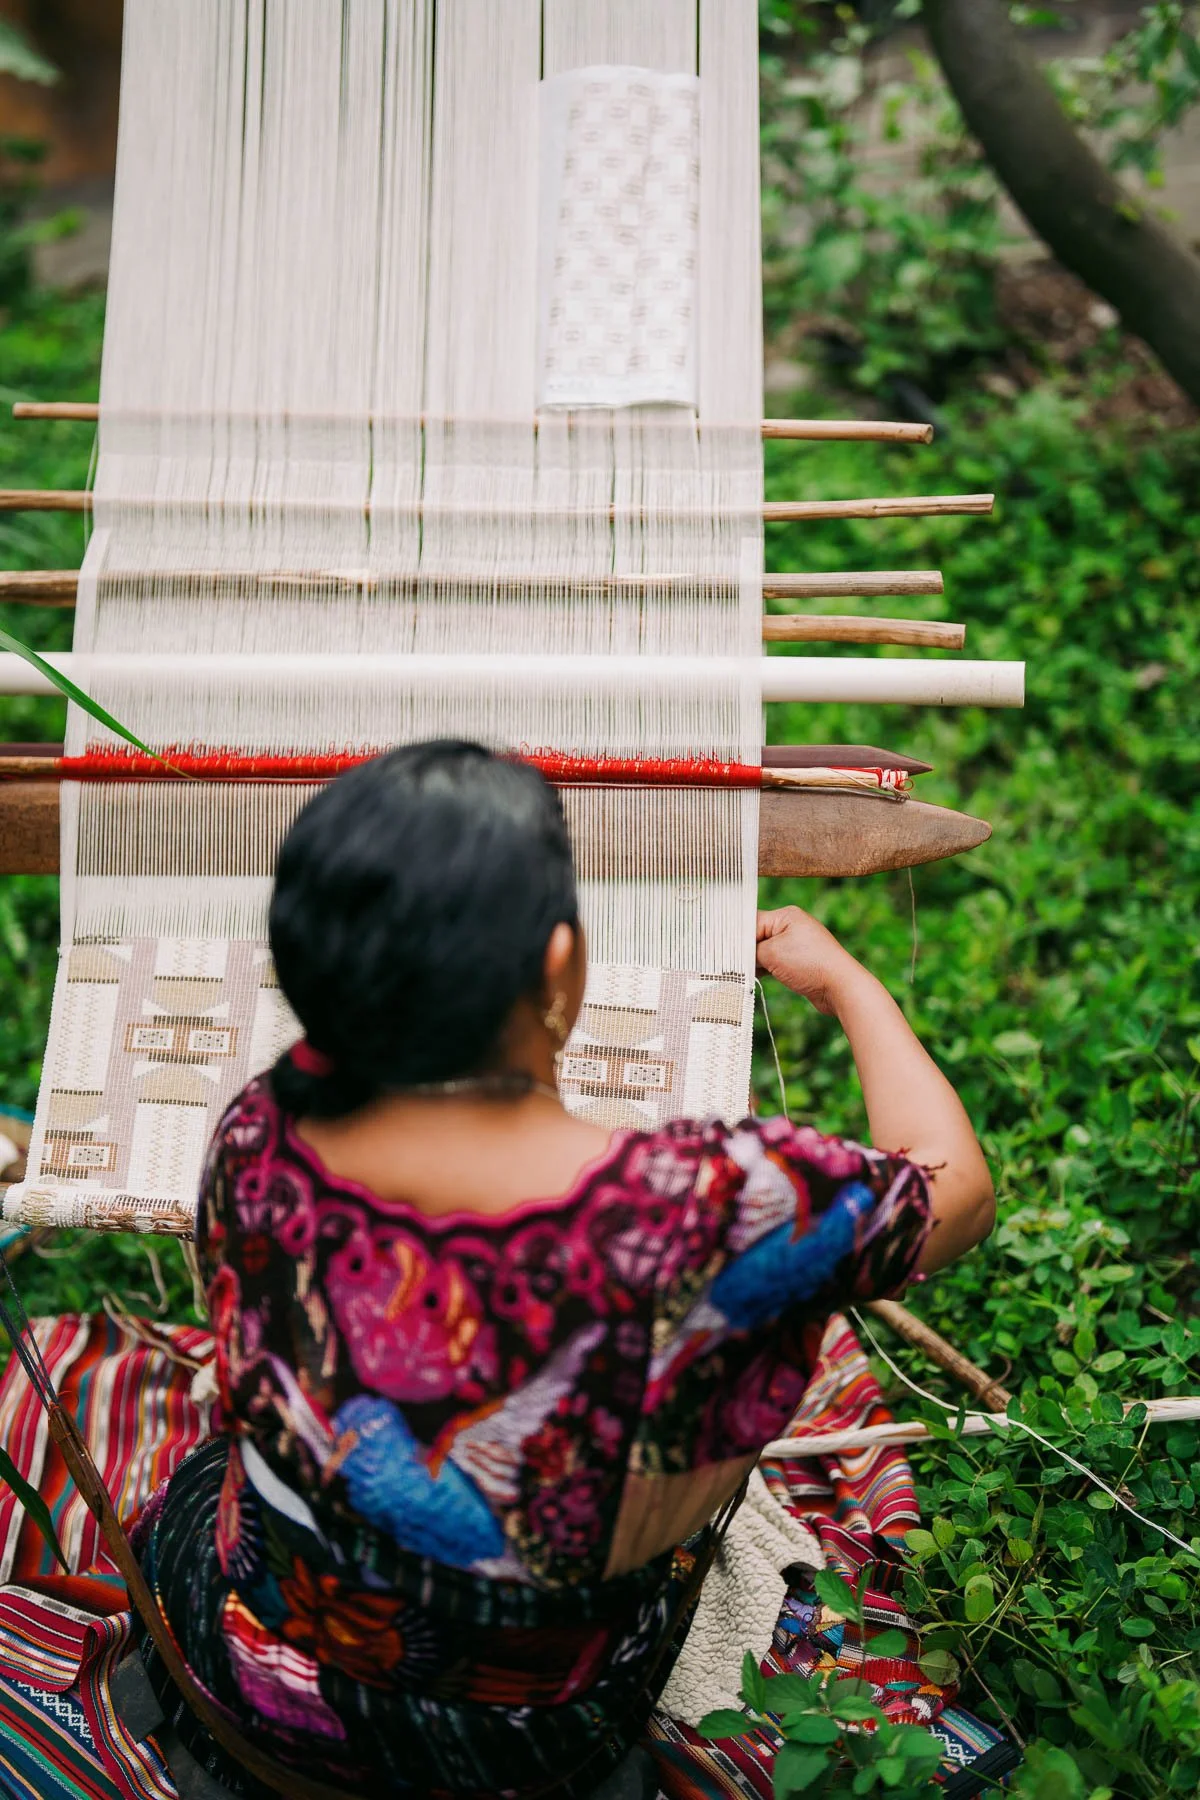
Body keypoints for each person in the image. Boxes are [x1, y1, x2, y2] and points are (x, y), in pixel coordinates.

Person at [135, 739, 995, 1800]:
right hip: (504, 1745)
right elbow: (953, 1193)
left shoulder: (261, 1127)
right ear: (558, 963)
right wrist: (847, 985)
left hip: (239, 1663)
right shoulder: (694, 1210)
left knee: (218, 1485)